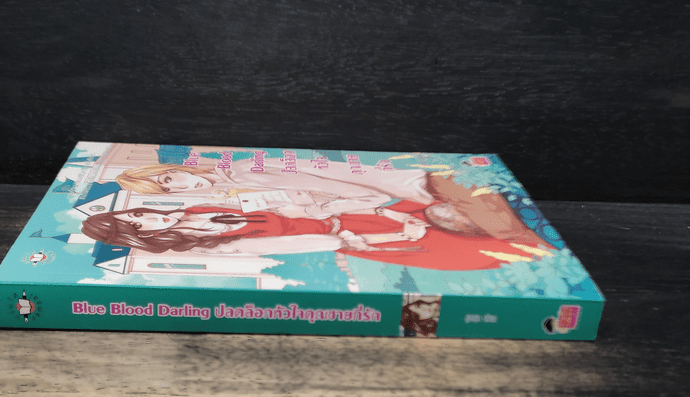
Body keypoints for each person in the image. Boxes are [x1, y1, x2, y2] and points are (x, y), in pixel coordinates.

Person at [114, 158, 548, 248]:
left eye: (166, 178)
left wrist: (365, 201)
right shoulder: (230, 191)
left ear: (169, 168)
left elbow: (318, 177)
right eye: (167, 189)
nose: (176, 184)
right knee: (465, 223)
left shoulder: (241, 171)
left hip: (416, 181)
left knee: (504, 229)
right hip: (402, 196)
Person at [80, 202, 555, 271]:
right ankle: (535, 255)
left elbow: (291, 208)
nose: (146, 219)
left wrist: (379, 213)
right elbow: (304, 242)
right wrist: (386, 234)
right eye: (136, 227)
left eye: (136, 213)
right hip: (354, 238)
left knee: (450, 212)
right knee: (467, 250)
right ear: (137, 238)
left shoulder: (200, 210)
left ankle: (531, 238)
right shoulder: (208, 244)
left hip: (349, 218)